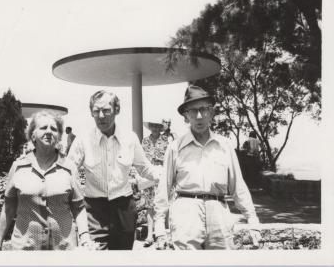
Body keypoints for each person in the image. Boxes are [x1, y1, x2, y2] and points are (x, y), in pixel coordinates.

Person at [154, 85, 261, 250]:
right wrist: (159, 227)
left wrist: (252, 219)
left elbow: (238, 186)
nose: (199, 116)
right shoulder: (175, 147)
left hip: (219, 213)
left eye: (204, 110)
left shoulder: (225, 146)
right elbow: (164, 189)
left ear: (211, 113)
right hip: (185, 214)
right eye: (193, 111)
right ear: (186, 116)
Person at [68, 90, 160, 250]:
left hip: (124, 209)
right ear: (91, 113)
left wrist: (166, 174)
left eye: (106, 110)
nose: (101, 116)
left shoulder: (130, 138)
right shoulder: (83, 139)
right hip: (94, 211)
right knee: (95, 258)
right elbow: (69, 171)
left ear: (117, 110)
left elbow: (144, 168)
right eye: (96, 111)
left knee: (122, 259)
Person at [0, 111, 93, 250]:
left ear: (58, 135)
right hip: (26, 249)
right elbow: (8, 207)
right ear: (33, 135)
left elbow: (79, 207)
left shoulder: (69, 167)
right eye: (43, 128)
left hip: (63, 249)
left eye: (53, 129)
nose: (49, 132)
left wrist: (85, 237)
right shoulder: (18, 167)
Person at [136, 119, 169, 247]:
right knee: (149, 206)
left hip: (161, 175)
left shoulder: (165, 141)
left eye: (157, 126)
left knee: (163, 203)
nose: (155, 128)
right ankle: (150, 235)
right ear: (150, 127)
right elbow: (141, 159)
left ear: (160, 128)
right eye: (153, 126)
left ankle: (164, 234)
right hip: (149, 176)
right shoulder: (144, 141)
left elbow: (168, 158)